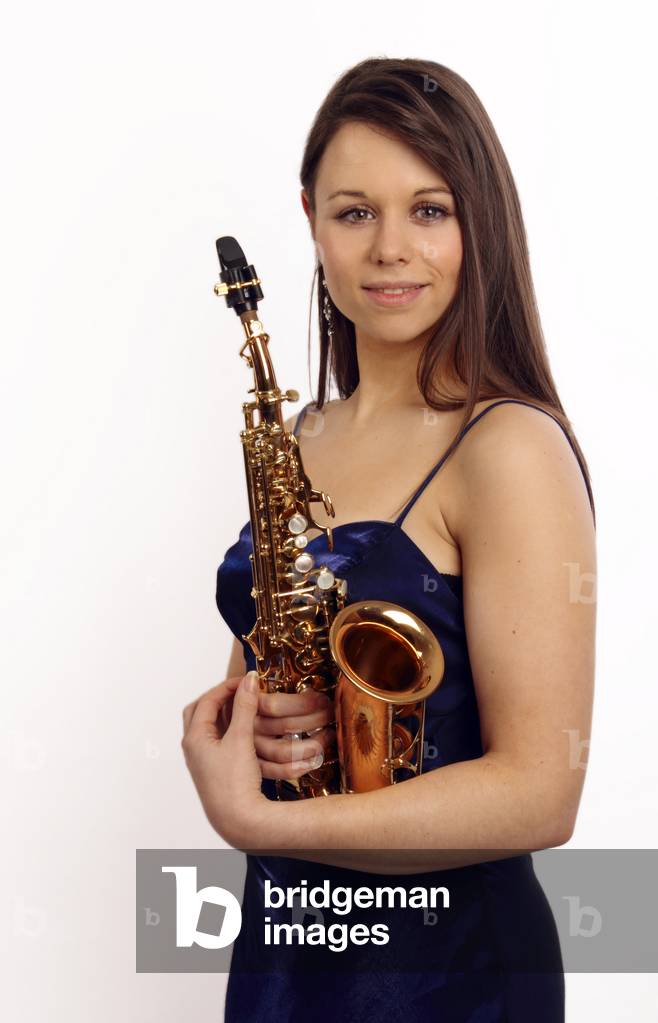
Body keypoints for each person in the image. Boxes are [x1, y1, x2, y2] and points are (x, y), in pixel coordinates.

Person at [182, 57, 596, 1022]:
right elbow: (267, 685)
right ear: (311, 220)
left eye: (430, 210)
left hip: (450, 975)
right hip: (292, 948)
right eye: (356, 212)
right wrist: (240, 726)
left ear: (479, 223)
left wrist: (252, 822)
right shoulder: (299, 437)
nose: (391, 249)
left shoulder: (510, 447)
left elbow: (542, 794)